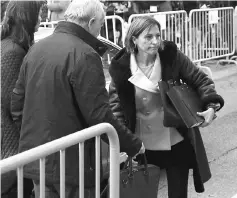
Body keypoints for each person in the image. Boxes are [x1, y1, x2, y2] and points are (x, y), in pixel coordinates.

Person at [10, 0, 144, 197]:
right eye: (100, 24)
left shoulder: (36, 48)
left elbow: (17, 105)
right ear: (91, 23)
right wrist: (133, 144)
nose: (100, 30)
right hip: (74, 166)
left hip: (37, 161)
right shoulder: (86, 54)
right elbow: (99, 114)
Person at [108, 16, 224, 198]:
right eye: (148, 37)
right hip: (142, 147)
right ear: (134, 39)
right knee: (141, 194)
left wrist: (211, 105)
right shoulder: (121, 67)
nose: (155, 41)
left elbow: (200, 79)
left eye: (158, 35)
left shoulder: (171, 56)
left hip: (176, 140)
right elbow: (116, 109)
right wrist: (125, 143)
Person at [1, 1, 43, 197]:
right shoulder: (12, 51)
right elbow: (13, 103)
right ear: (28, 17)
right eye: (38, 14)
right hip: (11, 144)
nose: (41, 19)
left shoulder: (11, 46)